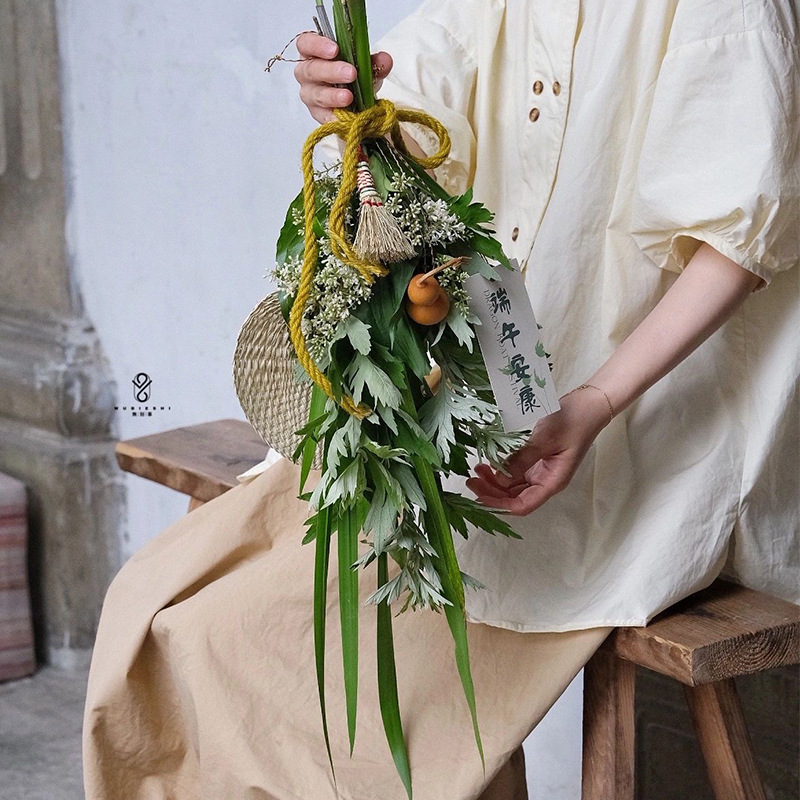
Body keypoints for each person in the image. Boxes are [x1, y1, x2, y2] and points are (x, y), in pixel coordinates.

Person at [84, 2, 798, 798]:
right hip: (460, 403)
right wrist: (344, 97)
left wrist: (594, 403)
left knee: (246, 663)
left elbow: (738, 243)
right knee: (156, 615)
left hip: (639, 434)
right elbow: (419, 100)